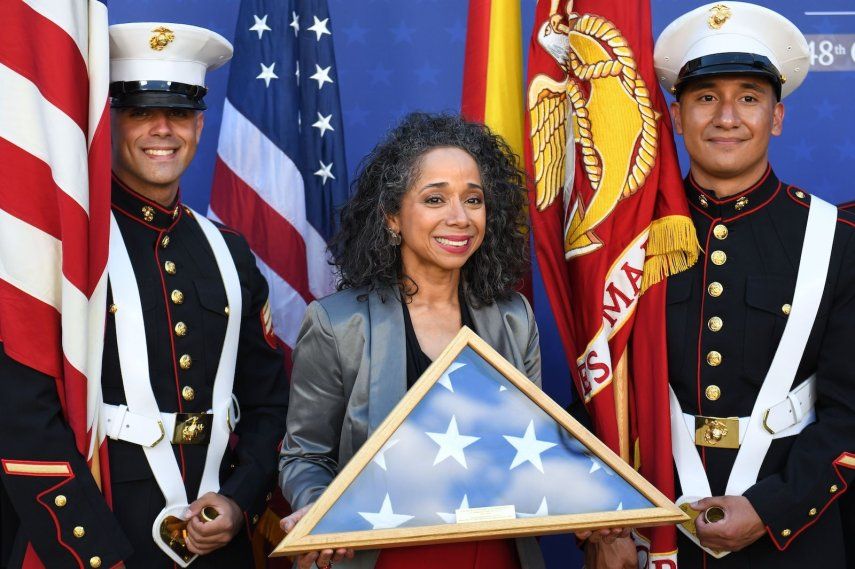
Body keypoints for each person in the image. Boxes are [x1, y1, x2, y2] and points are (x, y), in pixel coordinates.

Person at [0, 23, 289, 568]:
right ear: (109, 121)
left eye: (179, 112)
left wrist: (239, 501)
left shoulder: (229, 251)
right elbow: (21, 412)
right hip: (98, 533)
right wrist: (90, 550)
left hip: (216, 542)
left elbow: (268, 400)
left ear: (199, 124)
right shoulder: (63, 251)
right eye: (140, 112)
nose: (163, 130)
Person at [592, 3, 855, 568]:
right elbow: (598, 384)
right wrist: (601, 522)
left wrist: (771, 508)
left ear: (777, 117)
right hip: (652, 531)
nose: (727, 117)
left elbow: (850, 413)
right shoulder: (630, 242)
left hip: (793, 537)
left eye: (749, 98)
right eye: (706, 97)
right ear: (676, 116)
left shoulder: (837, 239)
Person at [278, 113, 548, 569]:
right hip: (383, 556)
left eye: (474, 199)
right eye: (435, 199)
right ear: (392, 218)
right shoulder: (337, 324)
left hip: (496, 552)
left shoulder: (514, 317)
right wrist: (319, 508)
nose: (459, 218)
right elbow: (304, 456)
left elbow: (540, 450)